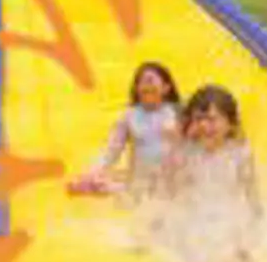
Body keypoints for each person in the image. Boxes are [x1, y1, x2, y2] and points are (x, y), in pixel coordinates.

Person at [158, 85, 263, 262]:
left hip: (228, 217)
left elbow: (252, 196)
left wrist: (254, 229)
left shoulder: (240, 153)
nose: (205, 126)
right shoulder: (187, 151)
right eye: (199, 119)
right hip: (194, 215)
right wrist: (175, 147)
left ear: (230, 124)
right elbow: (169, 191)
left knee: (239, 252)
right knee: (182, 246)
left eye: (212, 119)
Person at [67, 62, 182, 202]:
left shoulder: (178, 113)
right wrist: (92, 174)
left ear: (166, 88)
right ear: (137, 89)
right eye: (140, 82)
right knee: (99, 185)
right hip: (141, 184)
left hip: (171, 183)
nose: (145, 86)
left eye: (150, 81)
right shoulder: (130, 116)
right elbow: (110, 151)